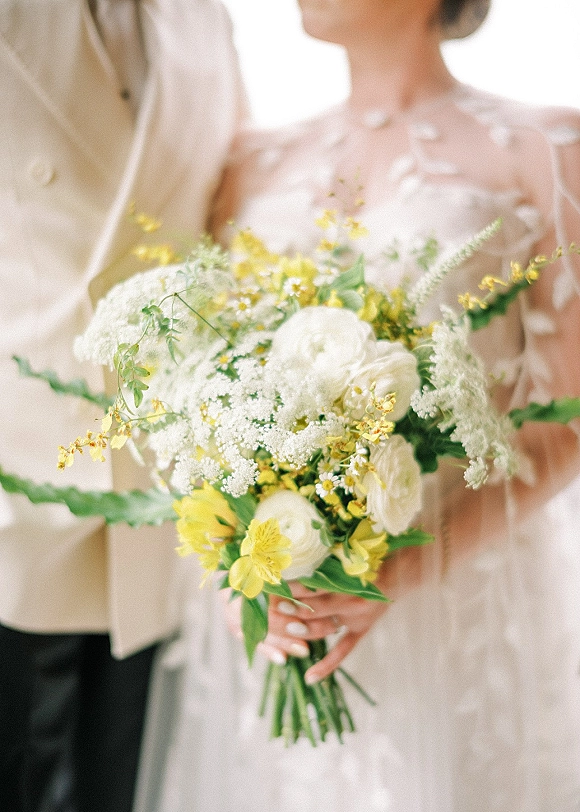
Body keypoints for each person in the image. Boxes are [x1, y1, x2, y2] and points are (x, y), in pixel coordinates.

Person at [135, 0, 580, 809]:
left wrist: (400, 568)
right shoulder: (250, 159)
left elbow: (568, 423)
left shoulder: (548, 148)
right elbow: (207, 383)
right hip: (287, 612)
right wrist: (258, 562)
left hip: (459, 601)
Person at [0, 2, 245, 811]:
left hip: (160, 487)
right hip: (17, 470)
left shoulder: (205, 17)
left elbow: (224, 217)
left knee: (119, 779)